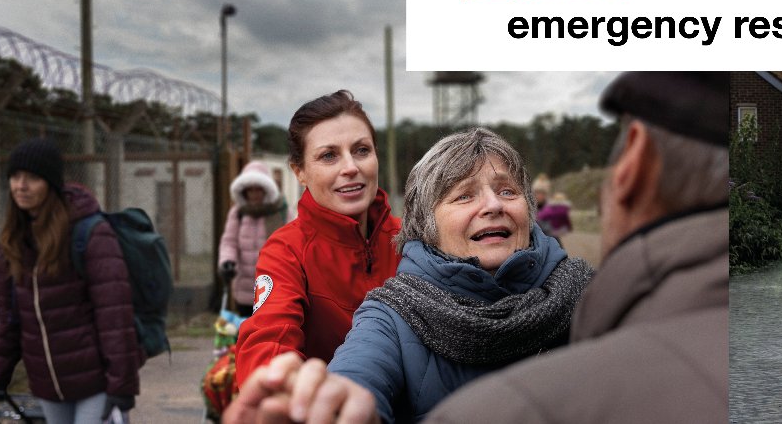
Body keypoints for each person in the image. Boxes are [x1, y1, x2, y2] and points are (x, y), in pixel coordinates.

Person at [223, 128, 593, 423]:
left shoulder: (589, 293)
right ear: (426, 226)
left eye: (507, 191)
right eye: (464, 196)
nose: (494, 205)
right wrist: (337, 405)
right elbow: (356, 375)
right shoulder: (392, 314)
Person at [233, 90, 402, 391]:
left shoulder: (412, 238)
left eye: (361, 150)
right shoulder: (286, 251)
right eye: (329, 155)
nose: (350, 167)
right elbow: (269, 341)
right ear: (299, 172)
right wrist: (282, 391)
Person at [0, 138, 141, 423]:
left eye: (32, 178)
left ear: (51, 183)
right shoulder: (13, 243)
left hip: (97, 383)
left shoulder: (90, 233)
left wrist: (121, 385)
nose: (21, 186)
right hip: (48, 387)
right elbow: (10, 320)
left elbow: (115, 317)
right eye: (15, 176)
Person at [218, 160, 285, 317]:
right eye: (250, 190)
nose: (254, 194)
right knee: (245, 328)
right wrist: (227, 261)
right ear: (244, 192)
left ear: (266, 190)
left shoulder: (280, 212)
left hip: (273, 286)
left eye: (258, 189)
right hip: (245, 288)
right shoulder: (238, 213)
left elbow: (292, 242)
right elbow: (229, 242)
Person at [532, 177, 573, 243]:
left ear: (545, 194)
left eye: (542, 193)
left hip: (549, 238)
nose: (539, 195)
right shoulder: (529, 206)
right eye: (537, 192)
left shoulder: (551, 208)